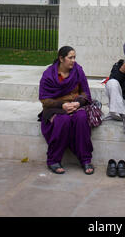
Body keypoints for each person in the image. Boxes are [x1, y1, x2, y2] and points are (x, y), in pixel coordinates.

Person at [38, 46, 94, 175]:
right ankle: (53, 160)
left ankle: (85, 159)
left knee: (81, 119)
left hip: (75, 106)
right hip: (55, 107)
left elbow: (86, 93)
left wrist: (77, 103)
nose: (73, 60)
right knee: (63, 121)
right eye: (70, 58)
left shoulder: (78, 71)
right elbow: (44, 99)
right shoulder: (49, 74)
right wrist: (62, 105)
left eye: (74, 57)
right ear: (61, 59)